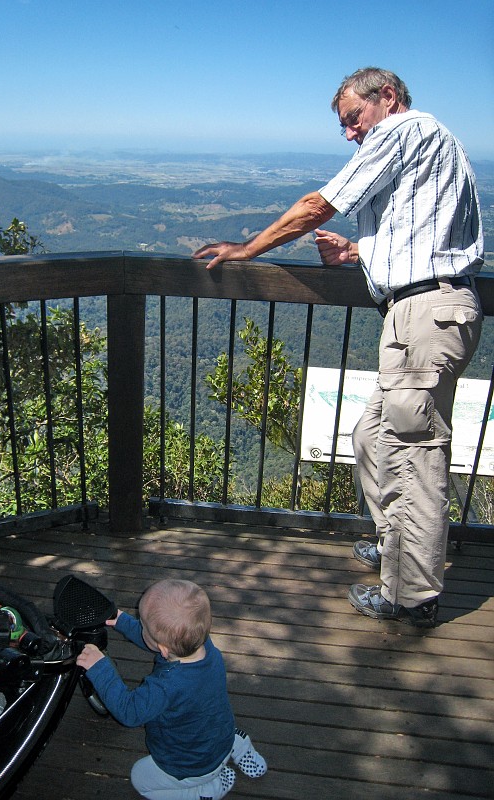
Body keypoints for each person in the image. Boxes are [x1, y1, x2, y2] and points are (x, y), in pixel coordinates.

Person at [193, 67, 484, 628]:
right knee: (372, 438)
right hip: (428, 312)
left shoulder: (403, 131)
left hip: (423, 317)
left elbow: (316, 204)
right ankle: (396, 548)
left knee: (414, 457)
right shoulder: (435, 142)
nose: (351, 133)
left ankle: (411, 595)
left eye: (354, 118)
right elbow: (425, 236)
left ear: (388, 99)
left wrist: (249, 248)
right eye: (346, 125)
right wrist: (356, 255)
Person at [76, 578, 267, 800]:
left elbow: (129, 711)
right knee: (212, 724)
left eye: (142, 624)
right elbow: (157, 638)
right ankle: (242, 747)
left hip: (193, 767)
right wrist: (120, 620)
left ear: (164, 650)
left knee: (140, 777)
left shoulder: (166, 686)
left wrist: (100, 668)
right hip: (222, 735)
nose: (140, 626)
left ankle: (207, 791)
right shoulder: (205, 646)